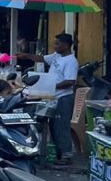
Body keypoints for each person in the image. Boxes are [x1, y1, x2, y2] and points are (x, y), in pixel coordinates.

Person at [17, 32, 79, 165]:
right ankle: (57, 153)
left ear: (66, 45)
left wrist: (49, 85)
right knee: (53, 126)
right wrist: (26, 55)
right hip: (52, 97)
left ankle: (66, 155)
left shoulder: (71, 61)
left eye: (57, 43)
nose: (55, 46)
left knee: (61, 126)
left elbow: (70, 81)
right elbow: (42, 59)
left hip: (63, 98)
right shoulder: (57, 56)